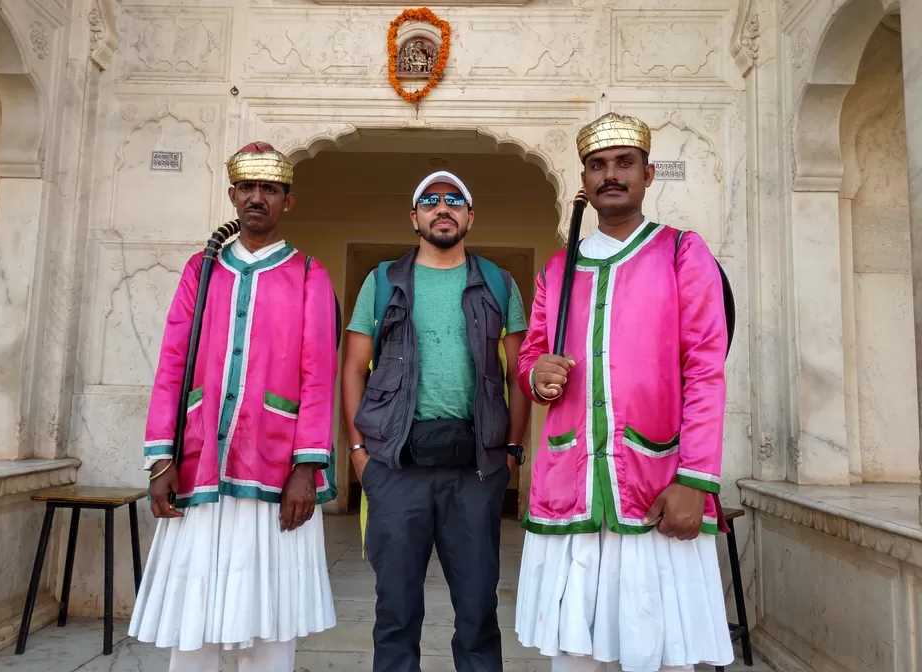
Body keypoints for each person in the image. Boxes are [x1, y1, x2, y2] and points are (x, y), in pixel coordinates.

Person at [513, 113, 735, 672]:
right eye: (598, 165)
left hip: (658, 483)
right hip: (576, 486)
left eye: (624, 163)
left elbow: (705, 369)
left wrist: (694, 480)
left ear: (647, 174)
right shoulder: (559, 269)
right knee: (576, 649)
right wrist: (537, 374)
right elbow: (531, 357)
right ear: (584, 180)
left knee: (658, 650)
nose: (611, 175)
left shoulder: (682, 251)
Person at [129, 141, 338, 672]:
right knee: (193, 619)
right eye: (247, 188)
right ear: (232, 195)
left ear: (287, 201)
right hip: (200, 464)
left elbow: (320, 375)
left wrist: (307, 468)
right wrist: (161, 458)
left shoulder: (310, 274)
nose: (257, 198)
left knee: (269, 620)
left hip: (275, 468)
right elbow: (172, 364)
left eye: (269, 189)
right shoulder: (200, 272)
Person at [341, 170, 531, 672]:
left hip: (476, 469)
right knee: (396, 612)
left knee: (477, 611)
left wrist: (511, 451)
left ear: (470, 216)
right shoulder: (382, 281)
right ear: (414, 217)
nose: (441, 208)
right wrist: (359, 453)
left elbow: (521, 368)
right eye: (430, 201)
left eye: (453, 200)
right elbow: (352, 367)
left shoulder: (497, 282)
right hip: (395, 466)